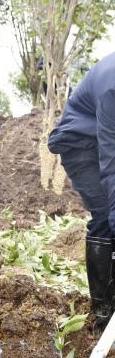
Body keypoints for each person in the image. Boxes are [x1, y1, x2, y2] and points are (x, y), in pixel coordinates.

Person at [48, 52, 115, 329]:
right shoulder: (113, 88)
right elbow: (112, 165)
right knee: (105, 217)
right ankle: (104, 314)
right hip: (81, 144)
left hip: (105, 141)